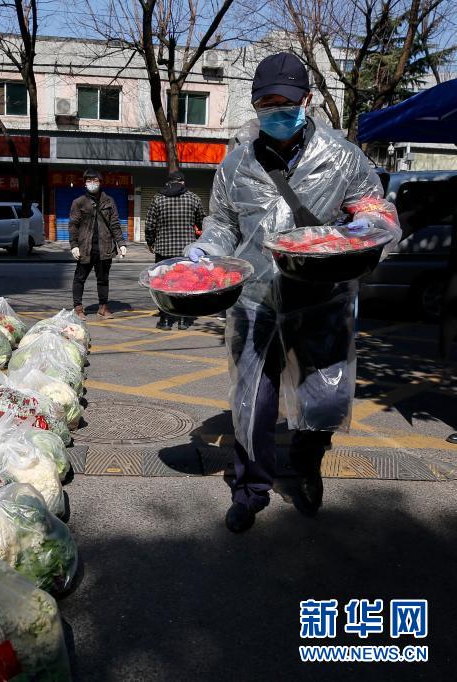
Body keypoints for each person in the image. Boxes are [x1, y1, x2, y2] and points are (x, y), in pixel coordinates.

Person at [185, 52, 401, 533]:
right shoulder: (237, 163)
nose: (277, 111)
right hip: (255, 300)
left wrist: (371, 224)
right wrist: (204, 250)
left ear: (307, 100)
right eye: (267, 103)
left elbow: (372, 205)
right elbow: (222, 223)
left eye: (286, 101)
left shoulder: (343, 157)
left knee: (322, 398)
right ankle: (251, 489)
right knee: (251, 402)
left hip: (320, 297)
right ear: (256, 106)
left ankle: (306, 468)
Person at [145, 171, 206, 330]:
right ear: (183, 183)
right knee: (186, 284)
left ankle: (165, 319)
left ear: (168, 182)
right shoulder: (193, 198)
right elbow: (203, 222)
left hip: (163, 251)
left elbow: (150, 225)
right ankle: (183, 319)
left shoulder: (158, 199)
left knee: (163, 284)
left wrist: (150, 242)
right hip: (186, 252)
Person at [69, 169, 127, 320]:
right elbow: (73, 225)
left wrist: (121, 243)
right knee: (79, 278)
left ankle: (103, 307)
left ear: (101, 182)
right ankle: (78, 308)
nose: (92, 183)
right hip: (85, 248)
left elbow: (114, 224)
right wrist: (74, 245)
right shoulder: (79, 202)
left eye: (95, 181)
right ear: (85, 183)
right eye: (89, 181)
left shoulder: (109, 201)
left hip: (104, 247)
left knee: (103, 279)